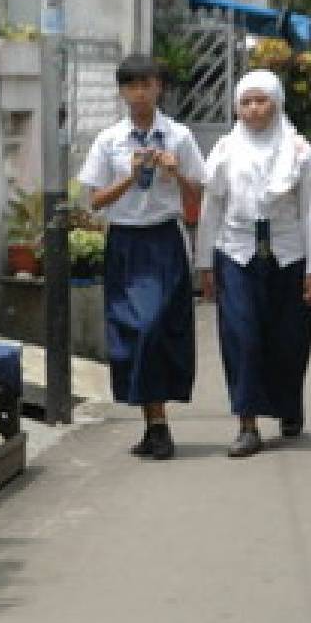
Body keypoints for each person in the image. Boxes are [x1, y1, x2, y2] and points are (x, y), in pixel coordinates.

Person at [77, 53, 205, 460]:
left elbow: (198, 195)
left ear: (158, 88)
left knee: (155, 327)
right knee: (130, 333)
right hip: (125, 243)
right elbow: (95, 201)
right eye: (130, 85)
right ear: (121, 92)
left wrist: (175, 173)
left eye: (145, 84)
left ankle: (159, 423)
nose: (138, 93)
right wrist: (128, 177)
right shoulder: (109, 140)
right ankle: (153, 422)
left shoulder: (179, 137)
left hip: (164, 241)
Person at [196, 69, 311, 458]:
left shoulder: (300, 153)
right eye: (246, 102)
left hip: (289, 253)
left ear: (277, 102)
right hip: (236, 252)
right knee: (242, 337)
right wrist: (204, 263)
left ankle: (289, 404)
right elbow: (211, 207)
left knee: (289, 339)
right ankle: (247, 422)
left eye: (261, 100)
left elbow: (310, 212)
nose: (253, 110)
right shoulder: (224, 151)